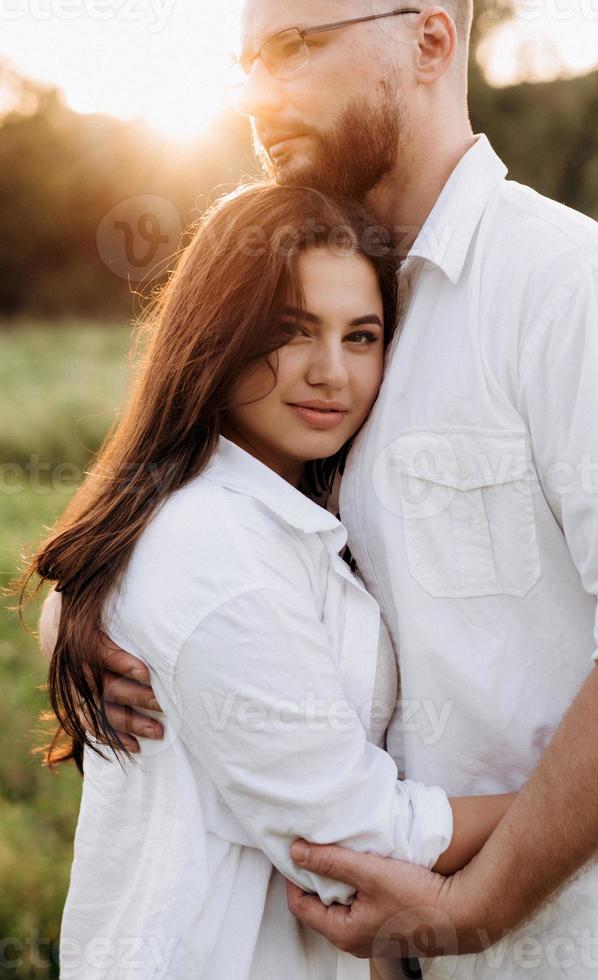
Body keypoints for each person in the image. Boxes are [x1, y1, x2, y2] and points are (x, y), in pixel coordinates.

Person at [79, 1, 598, 976]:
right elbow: (213, 520)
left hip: (572, 944)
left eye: (295, 47)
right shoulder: (335, 304)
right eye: (245, 62)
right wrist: (102, 616)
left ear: (430, 38)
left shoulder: (575, 288)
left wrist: (477, 904)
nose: (259, 93)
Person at [31, 183, 523, 980]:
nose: (330, 372)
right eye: (290, 332)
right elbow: (350, 844)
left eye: (360, 336)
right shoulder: (215, 542)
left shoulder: (295, 507)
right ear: (216, 334)